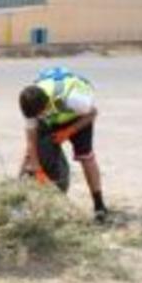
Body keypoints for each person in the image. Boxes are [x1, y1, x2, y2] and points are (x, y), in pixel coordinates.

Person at [18, 67, 109, 222]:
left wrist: (68, 132)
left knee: (85, 156)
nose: (38, 117)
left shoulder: (76, 100)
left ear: (45, 106)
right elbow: (31, 139)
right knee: (30, 155)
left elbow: (92, 113)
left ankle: (99, 206)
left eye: (40, 114)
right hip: (55, 114)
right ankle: (18, 200)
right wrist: (37, 168)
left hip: (79, 117)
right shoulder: (30, 102)